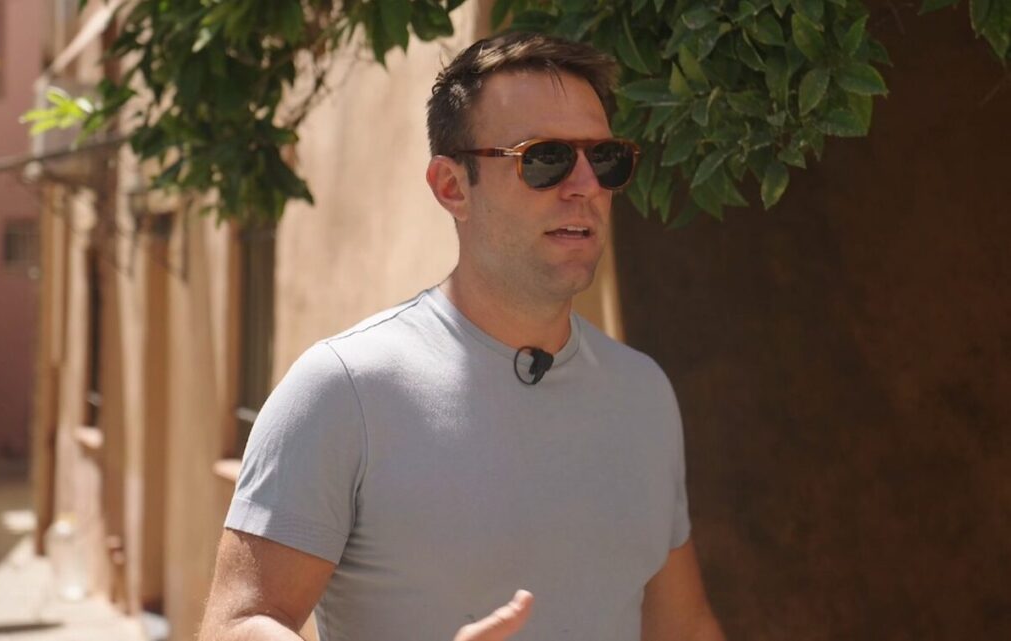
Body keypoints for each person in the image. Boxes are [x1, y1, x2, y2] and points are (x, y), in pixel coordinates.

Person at [198, 32, 726, 641]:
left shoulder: (642, 392)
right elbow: (236, 626)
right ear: (452, 187)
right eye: (546, 158)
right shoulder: (344, 389)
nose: (586, 185)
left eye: (605, 160)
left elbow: (683, 627)